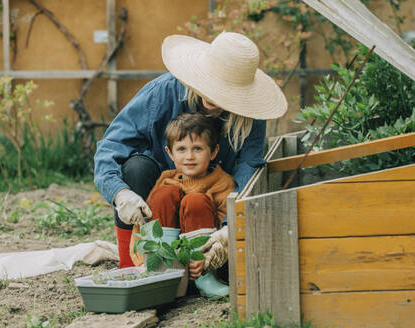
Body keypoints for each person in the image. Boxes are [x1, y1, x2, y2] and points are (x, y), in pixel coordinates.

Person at [93, 31, 287, 294]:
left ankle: (202, 271)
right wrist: (120, 193)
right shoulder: (163, 93)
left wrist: (232, 226)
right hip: (160, 199)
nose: (213, 95)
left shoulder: (250, 117)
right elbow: (110, 147)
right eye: (211, 84)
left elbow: (248, 168)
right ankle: (134, 267)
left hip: (211, 200)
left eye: (224, 91)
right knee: (136, 169)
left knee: (222, 255)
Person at [129, 112, 236, 297]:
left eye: (197, 149)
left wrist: (206, 258)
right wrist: (139, 258)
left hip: (202, 262)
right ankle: (162, 271)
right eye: (181, 149)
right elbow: (145, 220)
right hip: (172, 262)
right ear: (170, 153)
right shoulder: (167, 179)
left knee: (196, 200)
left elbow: (225, 229)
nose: (189, 156)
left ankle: (204, 280)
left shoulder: (222, 182)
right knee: (163, 195)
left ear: (214, 152)